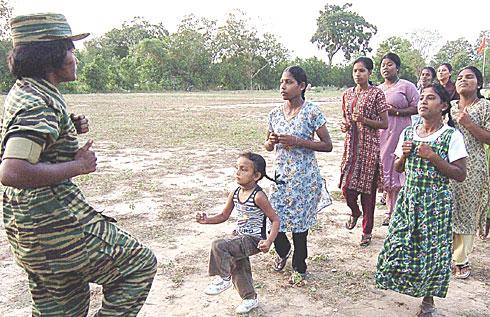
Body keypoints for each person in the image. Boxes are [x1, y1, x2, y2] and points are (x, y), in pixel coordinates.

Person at [0, 13, 157, 316]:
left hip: (30, 229)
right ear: (51, 55)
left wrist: (65, 127)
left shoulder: (27, 91)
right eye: (70, 49)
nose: (75, 57)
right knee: (137, 264)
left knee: (62, 305)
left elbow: (24, 143)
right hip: (54, 225)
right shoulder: (38, 103)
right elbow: (13, 170)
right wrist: (79, 165)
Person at [376, 83, 468, 317]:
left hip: (435, 203)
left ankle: (428, 301)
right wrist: (404, 156)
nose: (423, 102)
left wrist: (434, 157)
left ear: (444, 106)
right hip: (409, 198)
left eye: (431, 98)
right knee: (399, 242)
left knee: (432, 251)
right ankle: (401, 283)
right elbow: (398, 166)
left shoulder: (451, 135)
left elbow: (460, 174)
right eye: (422, 98)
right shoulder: (409, 133)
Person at [264, 66, 332, 283]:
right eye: (282, 82)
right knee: (273, 217)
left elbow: (327, 145)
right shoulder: (274, 113)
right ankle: (283, 251)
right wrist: (271, 142)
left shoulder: (312, 111)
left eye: (289, 82)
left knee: (300, 226)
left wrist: (298, 142)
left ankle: (299, 266)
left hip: (304, 178)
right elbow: (266, 145)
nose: (283, 86)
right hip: (280, 177)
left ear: (302, 86)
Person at [196, 152, 280, 314]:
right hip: (239, 236)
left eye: (243, 169)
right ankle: (250, 298)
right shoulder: (235, 193)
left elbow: (275, 219)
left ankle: (223, 277)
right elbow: (223, 215)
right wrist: (207, 220)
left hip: (254, 239)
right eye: (237, 168)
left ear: (256, 175)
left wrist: (269, 241)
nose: (238, 173)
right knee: (239, 266)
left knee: (219, 245)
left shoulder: (259, 196)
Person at [340, 57, 388, 246]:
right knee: (346, 187)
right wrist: (345, 125)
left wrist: (365, 120)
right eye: (355, 71)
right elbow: (346, 118)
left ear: (369, 73)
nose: (358, 74)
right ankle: (354, 211)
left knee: (368, 192)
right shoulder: (347, 94)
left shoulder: (377, 94)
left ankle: (367, 231)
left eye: (362, 71)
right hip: (351, 147)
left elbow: (385, 123)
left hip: (369, 148)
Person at [450, 66, 490, 278]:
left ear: (479, 82)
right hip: (447, 165)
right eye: (459, 78)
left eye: (469, 77)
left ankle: (461, 259)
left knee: (466, 211)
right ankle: (446, 255)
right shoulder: (449, 107)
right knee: (449, 207)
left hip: (473, 166)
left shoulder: (485, 107)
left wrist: (469, 124)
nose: (463, 80)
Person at [378, 53, 420, 225]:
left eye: (389, 64)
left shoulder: (406, 86)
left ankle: (404, 210)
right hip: (382, 135)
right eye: (383, 65)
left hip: (401, 132)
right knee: (385, 168)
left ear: (397, 67)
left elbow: (418, 107)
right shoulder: (378, 89)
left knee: (401, 168)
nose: (385, 68)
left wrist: (395, 111)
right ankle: (390, 211)